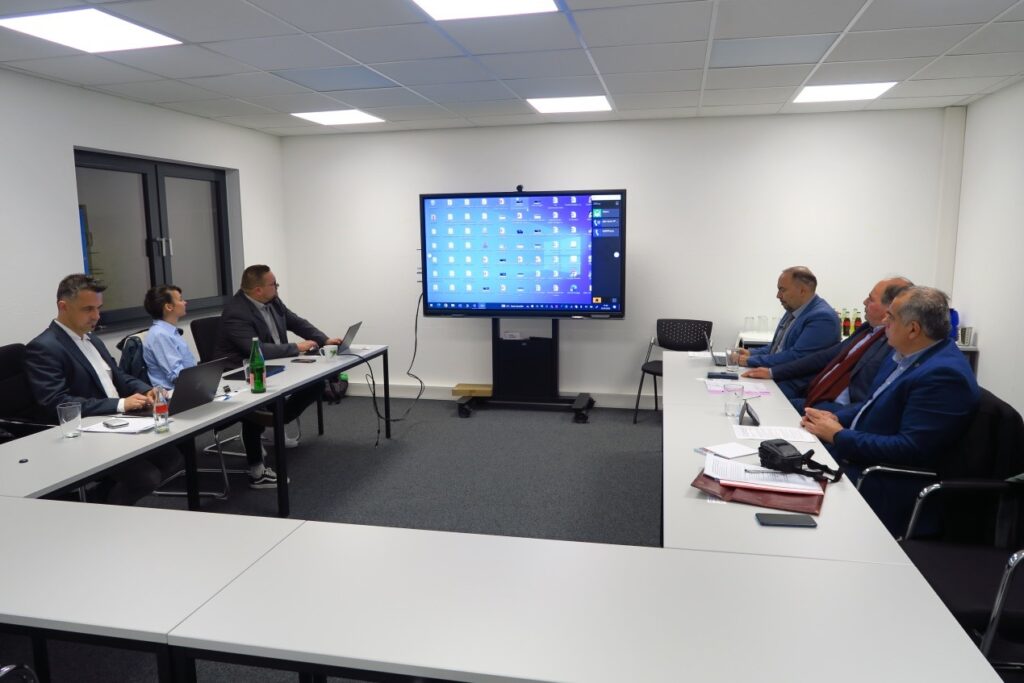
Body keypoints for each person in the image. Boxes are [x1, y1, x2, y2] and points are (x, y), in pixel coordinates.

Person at [801, 286, 980, 533]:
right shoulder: (905, 356)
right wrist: (834, 417)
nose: (884, 320)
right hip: (856, 457)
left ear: (913, 329)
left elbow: (910, 449)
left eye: (891, 317)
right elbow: (873, 403)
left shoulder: (943, 375)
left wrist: (838, 435)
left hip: (880, 481)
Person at [24, 274, 182, 505]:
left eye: (98, 308)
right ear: (63, 306)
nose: (96, 316)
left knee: (173, 458)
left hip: (118, 421)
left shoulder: (92, 339)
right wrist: (121, 404)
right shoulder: (44, 348)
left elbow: (119, 377)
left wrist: (147, 389)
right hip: (89, 430)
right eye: (88, 309)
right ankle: (104, 509)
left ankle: (102, 495)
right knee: (145, 477)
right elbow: (57, 403)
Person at [141, 284, 279, 489]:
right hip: (176, 399)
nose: (185, 302)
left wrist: (207, 378)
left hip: (191, 390)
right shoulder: (159, 335)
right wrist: (206, 380)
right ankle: (257, 471)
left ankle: (260, 446)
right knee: (247, 408)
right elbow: (177, 376)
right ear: (168, 307)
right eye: (180, 299)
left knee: (246, 399)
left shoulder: (170, 332)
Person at [214, 265, 342, 463]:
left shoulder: (273, 300)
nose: (277, 287)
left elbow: (296, 322)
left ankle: (272, 424)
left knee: (316, 384)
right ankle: (259, 432)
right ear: (258, 290)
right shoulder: (236, 312)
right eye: (274, 284)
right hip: (243, 371)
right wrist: (296, 347)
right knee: (267, 399)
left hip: (277, 361)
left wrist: (324, 340)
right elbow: (257, 350)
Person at [743, 277, 912, 407]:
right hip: (818, 395)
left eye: (871, 299)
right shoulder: (867, 329)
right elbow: (825, 356)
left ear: (891, 307)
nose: (864, 302)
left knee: (768, 405)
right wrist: (771, 371)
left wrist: (835, 423)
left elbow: (798, 355)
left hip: (834, 406)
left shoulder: (893, 344)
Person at [737, 266, 840, 369]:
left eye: (782, 290)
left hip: (793, 378)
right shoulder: (794, 309)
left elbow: (796, 357)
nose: (778, 295)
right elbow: (779, 348)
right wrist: (751, 353)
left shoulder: (823, 318)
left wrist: (749, 360)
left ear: (802, 291)